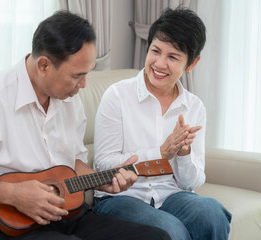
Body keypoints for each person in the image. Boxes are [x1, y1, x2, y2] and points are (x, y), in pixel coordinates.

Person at [0, 11, 171, 240]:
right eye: (77, 75)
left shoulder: (69, 98)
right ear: (43, 65)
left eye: (87, 73)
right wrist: (14, 195)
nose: (84, 85)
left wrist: (101, 180)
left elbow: (71, 163)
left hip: (64, 214)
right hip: (0, 224)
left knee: (155, 237)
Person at [92, 7, 232, 240]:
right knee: (169, 231)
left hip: (171, 196)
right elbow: (103, 166)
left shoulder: (194, 107)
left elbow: (192, 184)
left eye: (173, 57)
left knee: (212, 213)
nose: (159, 63)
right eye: (155, 51)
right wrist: (161, 153)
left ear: (192, 63)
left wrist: (184, 154)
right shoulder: (117, 95)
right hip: (120, 198)